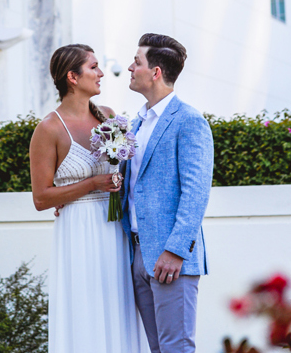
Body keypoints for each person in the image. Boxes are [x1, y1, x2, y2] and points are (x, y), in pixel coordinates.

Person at [28, 43, 144, 353]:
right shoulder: (49, 129)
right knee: (86, 305)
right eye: (93, 67)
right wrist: (90, 184)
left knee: (117, 303)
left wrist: (115, 182)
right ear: (72, 77)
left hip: (113, 227)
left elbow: (126, 169)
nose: (101, 73)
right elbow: (41, 198)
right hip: (78, 231)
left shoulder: (107, 116)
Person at [125, 33, 214, 353]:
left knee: (176, 348)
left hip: (171, 258)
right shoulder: (136, 123)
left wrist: (176, 250)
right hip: (137, 254)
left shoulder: (189, 121)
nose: (131, 68)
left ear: (156, 72)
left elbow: (196, 191)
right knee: (158, 349)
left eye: (137, 62)